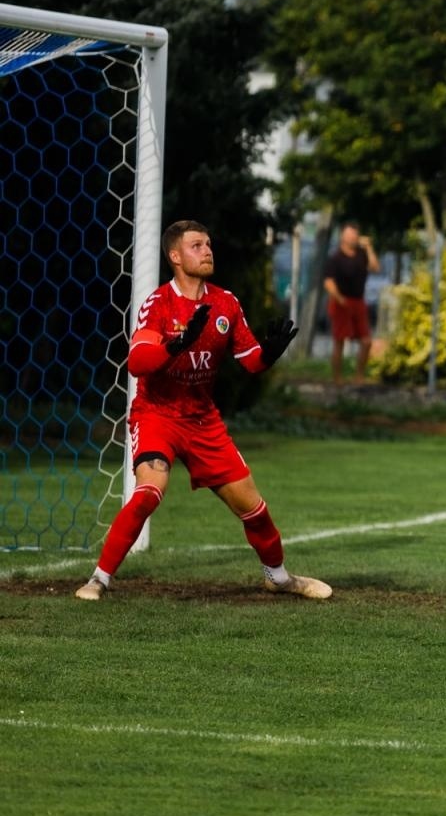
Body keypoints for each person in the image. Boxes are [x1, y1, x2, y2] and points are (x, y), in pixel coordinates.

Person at [75, 220, 327, 601]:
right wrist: (175, 346)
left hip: (203, 421)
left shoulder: (225, 303)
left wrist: (270, 354)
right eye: (196, 245)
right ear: (175, 256)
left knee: (254, 509)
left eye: (208, 243)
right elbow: (138, 361)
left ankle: (278, 577)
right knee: (149, 491)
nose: (207, 250)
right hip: (157, 414)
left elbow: (251, 361)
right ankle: (98, 579)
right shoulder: (158, 304)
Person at [323, 224, 380, 385]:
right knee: (339, 341)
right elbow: (328, 282)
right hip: (341, 301)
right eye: (350, 236)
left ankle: (359, 375)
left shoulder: (362, 254)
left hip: (359, 301)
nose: (353, 239)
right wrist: (339, 298)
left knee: (366, 341)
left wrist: (369, 248)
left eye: (355, 236)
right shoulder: (336, 258)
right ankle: (337, 378)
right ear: (343, 237)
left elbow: (375, 267)